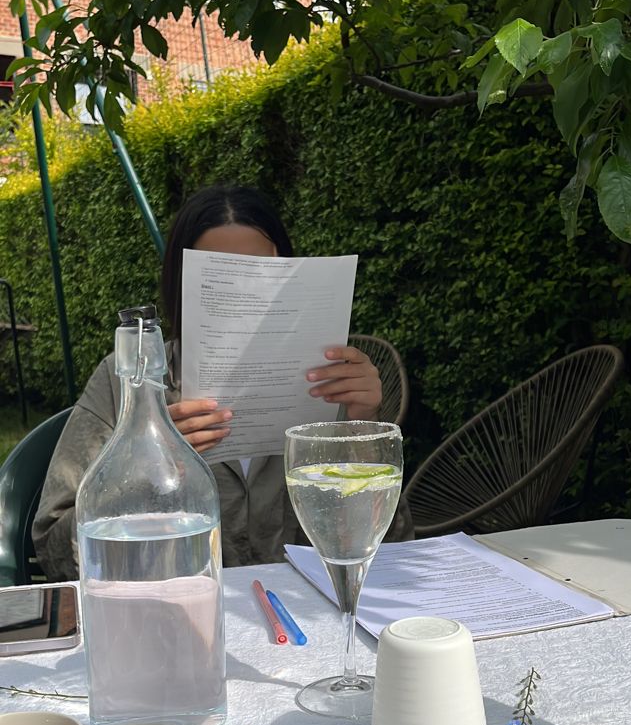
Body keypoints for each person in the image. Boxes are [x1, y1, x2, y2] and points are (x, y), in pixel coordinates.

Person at [33, 184, 414, 580]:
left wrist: (364, 429)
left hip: (309, 614)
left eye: (263, 273)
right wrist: (146, 471)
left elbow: (392, 547)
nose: (244, 292)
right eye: (219, 275)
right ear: (182, 282)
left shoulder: (332, 383)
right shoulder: (129, 380)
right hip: (178, 611)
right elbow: (54, 548)